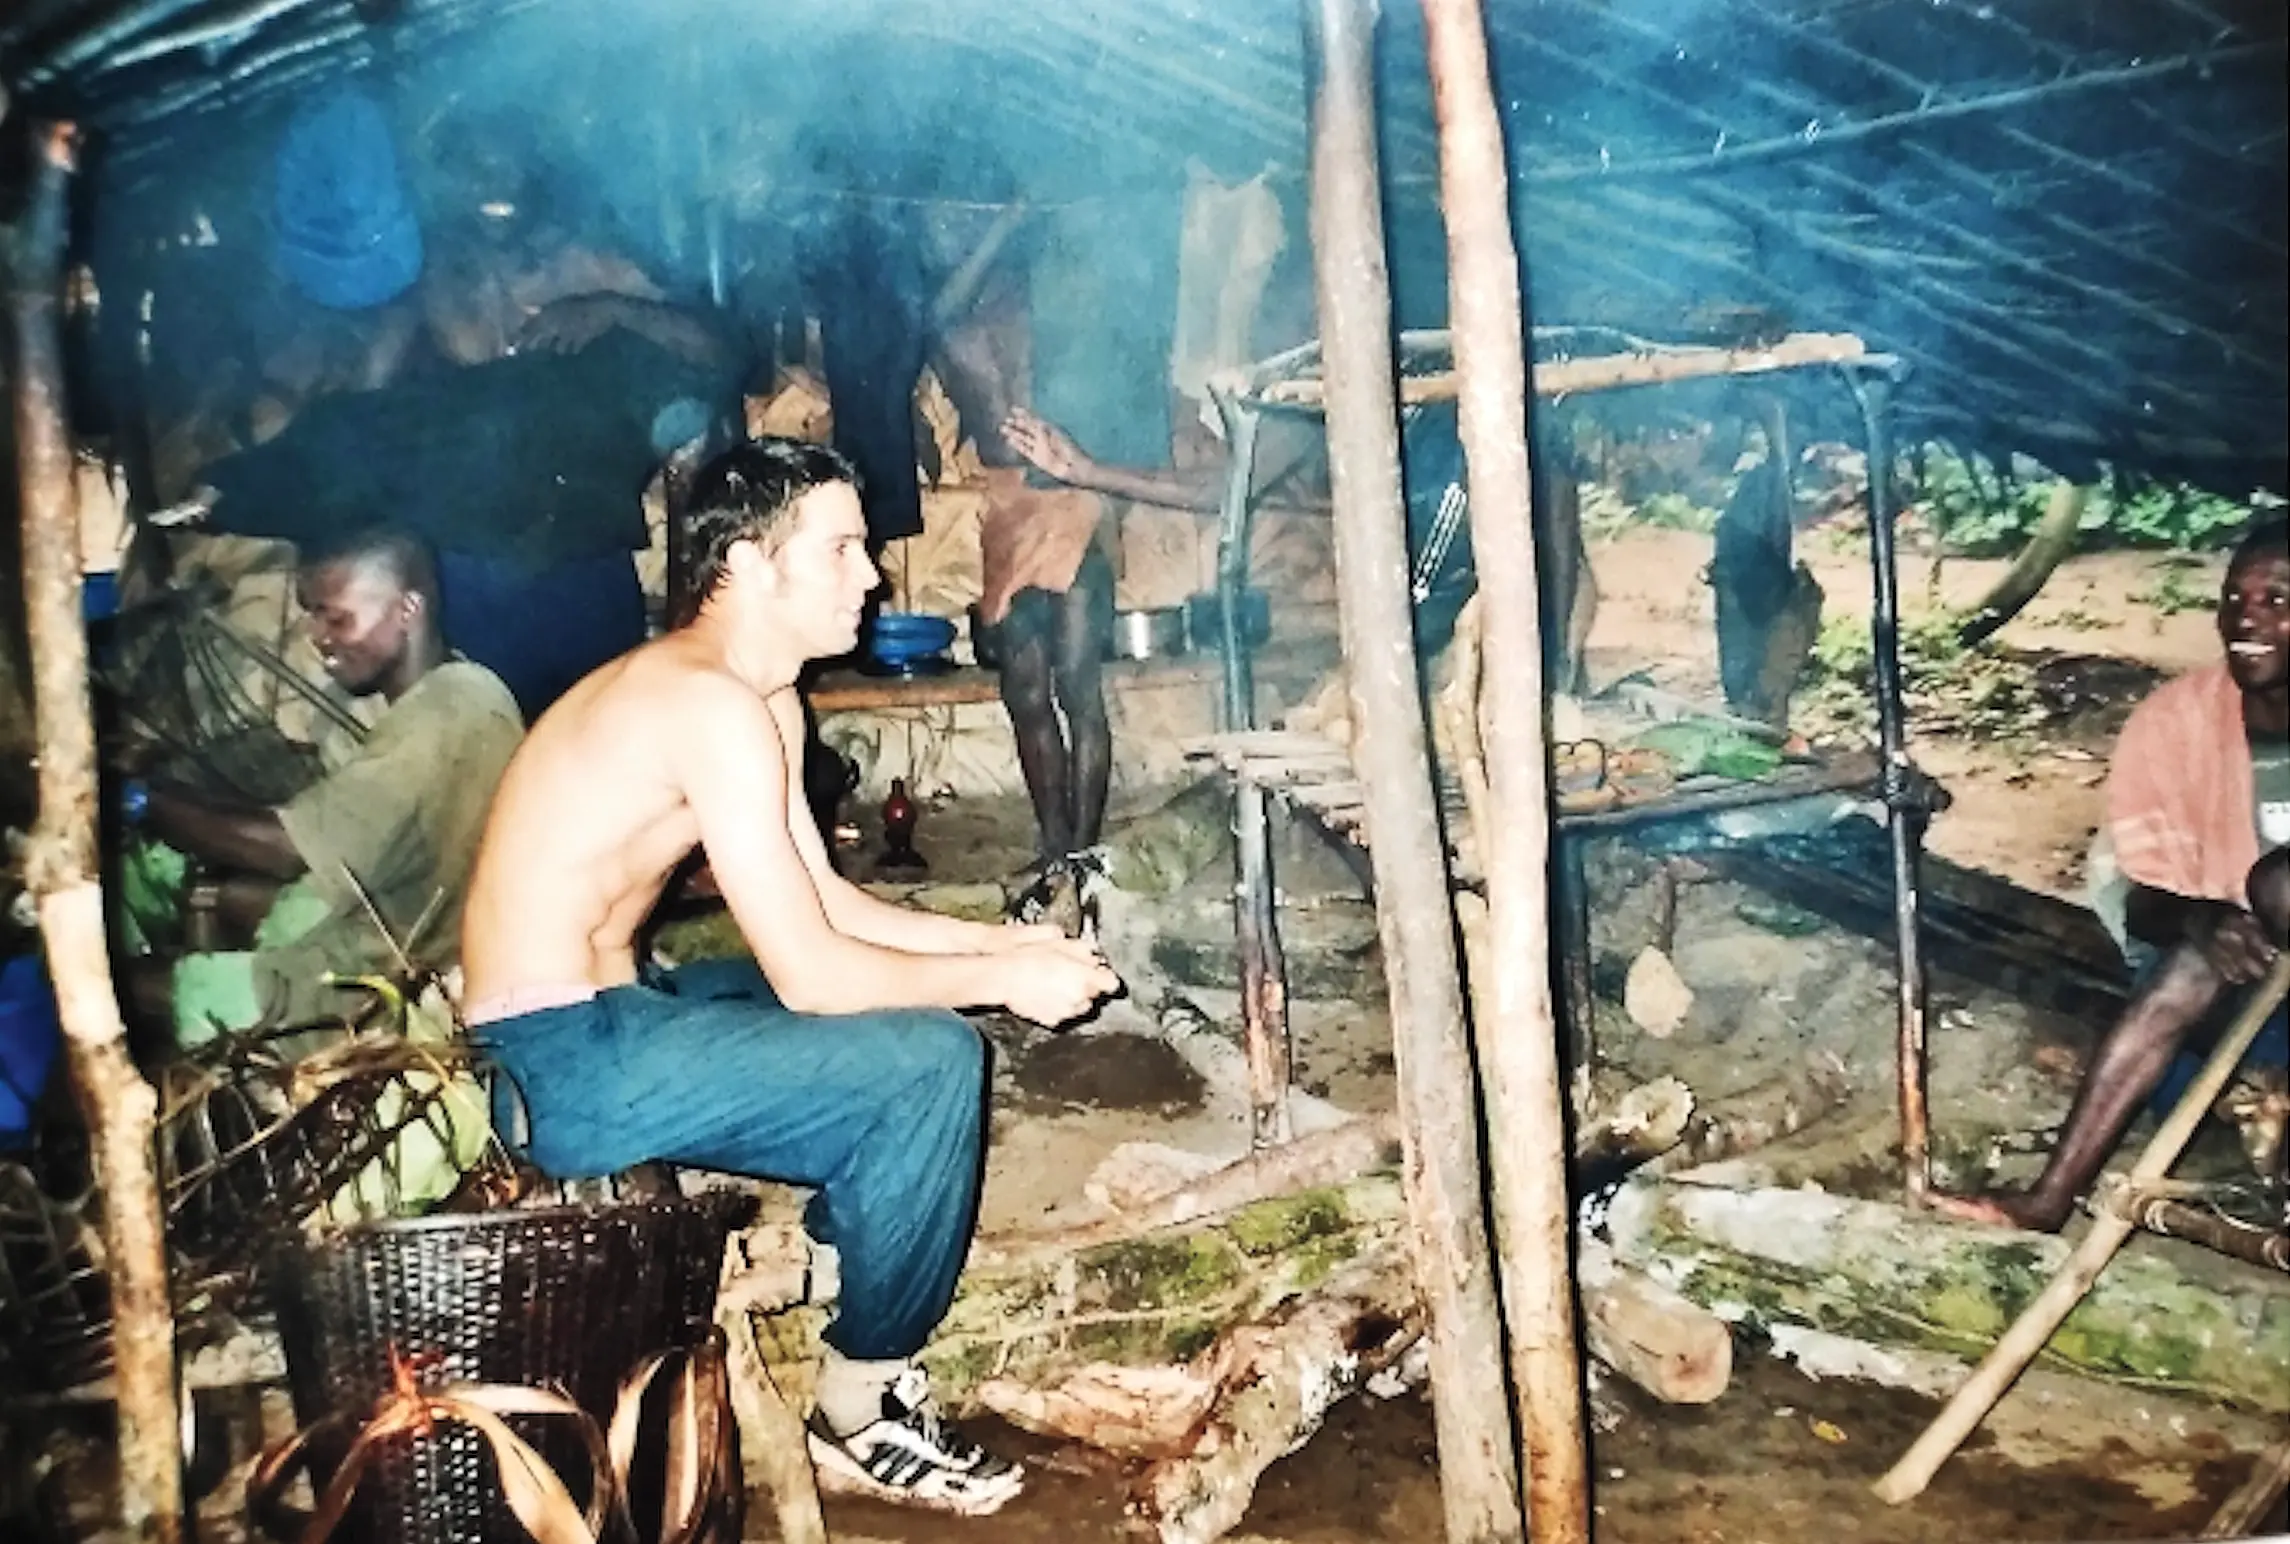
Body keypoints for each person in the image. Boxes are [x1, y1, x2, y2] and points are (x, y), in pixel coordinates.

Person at [458, 438, 1119, 1516]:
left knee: (883, 1015)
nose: (873, 575)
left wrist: (1004, 946)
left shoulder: (756, 698)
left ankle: (844, 1254)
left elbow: (832, 909)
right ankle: (860, 1408)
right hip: (557, 1065)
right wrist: (994, 980)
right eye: (844, 547)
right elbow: (815, 975)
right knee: (929, 1060)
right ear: (752, 564)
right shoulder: (702, 701)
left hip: (616, 1014)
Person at [1937, 518, 2289, 1231]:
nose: (2246, 617)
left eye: (2277, 599)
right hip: (2241, 1013)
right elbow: (2138, 899)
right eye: (2233, 599)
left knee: (2278, 880)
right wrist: (2200, 919)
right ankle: (2048, 1200)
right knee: (2199, 953)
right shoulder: (2176, 723)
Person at [119, 527, 523, 1046]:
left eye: (337, 618)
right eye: (312, 614)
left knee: (119, 988)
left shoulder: (442, 716)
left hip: (361, 993)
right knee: (176, 877)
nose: (318, 636)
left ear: (407, 609)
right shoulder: (463, 689)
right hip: (399, 930)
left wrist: (137, 797)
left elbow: (286, 851)